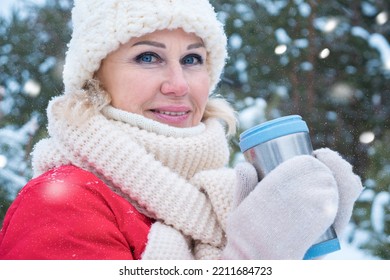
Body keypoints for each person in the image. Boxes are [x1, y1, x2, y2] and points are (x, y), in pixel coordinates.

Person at [0, 0, 362, 260]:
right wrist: (253, 260)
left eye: (192, 59)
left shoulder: (215, 199)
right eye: (147, 57)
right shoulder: (61, 204)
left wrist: (301, 249)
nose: (178, 85)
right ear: (95, 76)